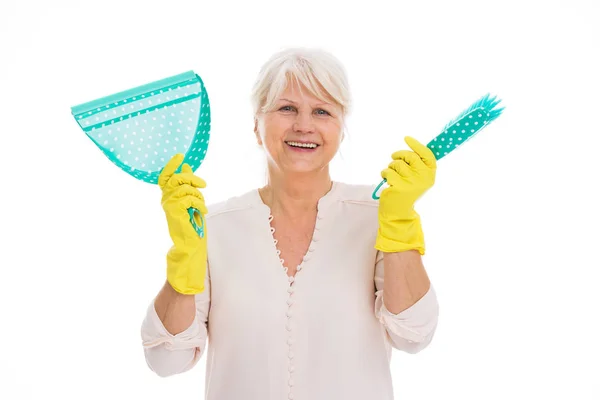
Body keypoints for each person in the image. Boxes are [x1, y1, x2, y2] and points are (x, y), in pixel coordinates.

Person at [140, 47, 440, 400]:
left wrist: (400, 226)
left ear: (341, 129)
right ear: (256, 125)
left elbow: (414, 335)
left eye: (322, 111)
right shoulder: (215, 228)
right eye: (286, 108)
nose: (304, 125)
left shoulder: (378, 217)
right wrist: (185, 259)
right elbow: (166, 359)